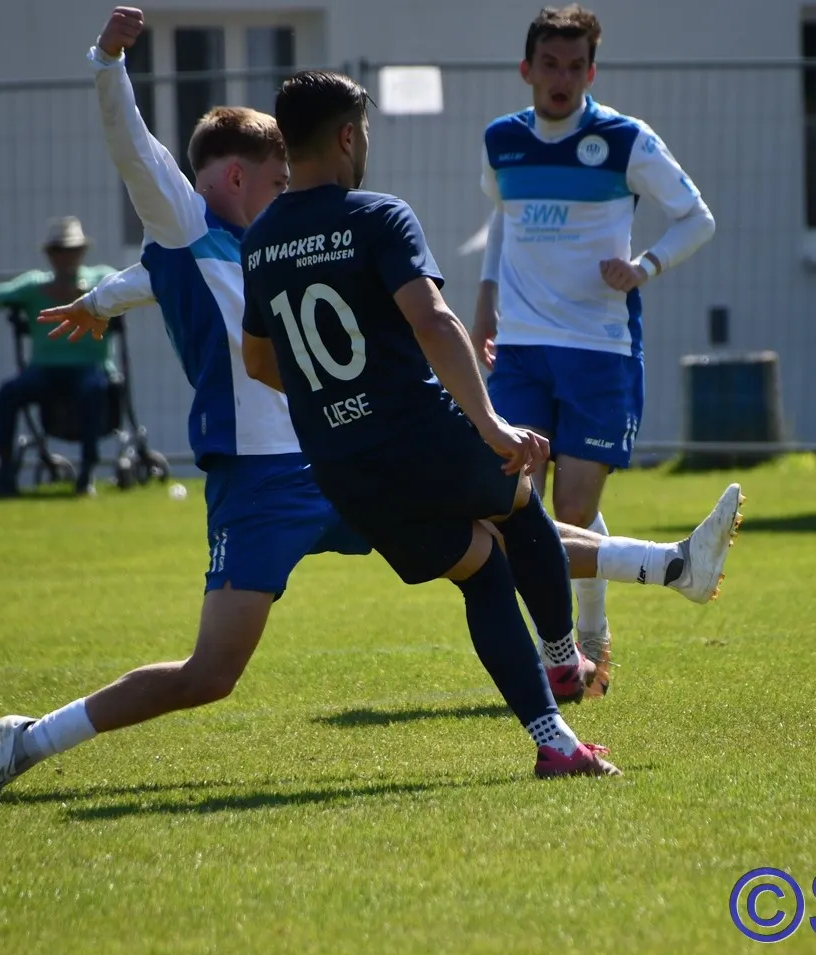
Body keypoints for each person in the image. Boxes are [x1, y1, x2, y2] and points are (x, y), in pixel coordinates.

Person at [0, 8, 739, 796]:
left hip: (330, 458)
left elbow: (178, 294)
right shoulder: (192, 223)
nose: (284, 192)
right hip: (261, 481)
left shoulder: (255, 246)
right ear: (243, 175)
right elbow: (137, 158)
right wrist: (108, 63)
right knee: (213, 672)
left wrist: (102, 300)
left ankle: (663, 577)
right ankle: (29, 738)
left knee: (492, 538)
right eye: (274, 181)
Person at [240, 68, 629, 779]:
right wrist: (492, 424)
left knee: (480, 573)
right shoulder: (378, 215)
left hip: (342, 466)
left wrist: (338, 399)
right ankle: (560, 658)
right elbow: (433, 320)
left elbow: (260, 361)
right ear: (348, 136)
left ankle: (554, 741)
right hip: (418, 433)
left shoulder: (260, 239)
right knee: (519, 500)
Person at [473, 4, 716, 691]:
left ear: (591, 72)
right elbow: (503, 221)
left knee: (571, 513)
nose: (562, 78)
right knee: (515, 507)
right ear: (527, 69)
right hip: (521, 348)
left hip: (598, 348)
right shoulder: (501, 141)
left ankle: (590, 633)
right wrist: (484, 308)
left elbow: (696, 218)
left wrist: (645, 267)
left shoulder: (624, 139)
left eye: (575, 66)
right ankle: (567, 656)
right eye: (550, 64)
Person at [0, 216, 118, 496]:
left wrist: (89, 294)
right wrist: (38, 292)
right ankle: (5, 469)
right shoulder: (35, 284)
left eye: (71, 250)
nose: (65, 257)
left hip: (89, 366)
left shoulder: (100, 278)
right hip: (44, 370)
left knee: (94, 390)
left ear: (81, 252)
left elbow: (126, 287)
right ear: (49, 255)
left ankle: (87, 470)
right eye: (58, 251)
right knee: (8, 393)